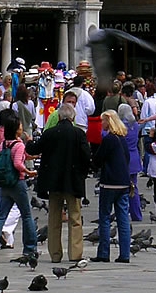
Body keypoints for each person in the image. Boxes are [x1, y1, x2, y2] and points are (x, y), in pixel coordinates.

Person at [25, 99, 91, 264]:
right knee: (75, 217)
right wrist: (82, 173)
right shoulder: (78, 134)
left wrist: (28, 141)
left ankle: (55, 254)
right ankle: (75, 253)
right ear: (72, 117)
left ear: (59, 116)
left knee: (54, 218)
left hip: (54, 182)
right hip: (72, 181)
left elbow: (34, 149)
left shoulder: (50, 133)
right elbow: (86, 156)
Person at [0, 108, 37, 259]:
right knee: (26, 215)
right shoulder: (18, 145)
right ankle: (30, 247)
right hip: (17, 182)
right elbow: (18, 163)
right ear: (16, 130)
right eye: (19, 126)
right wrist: (28, 171)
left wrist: (33, 155)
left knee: (1, 215)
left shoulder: (5, 143)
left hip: (5, 184)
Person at [91, 110, 131, 264]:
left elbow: (98, 159)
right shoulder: (122, 138)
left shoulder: (108, 139)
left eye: (103, 121)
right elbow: (126, 158)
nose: (102, 124)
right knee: (122, 218)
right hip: (123, 182)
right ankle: (125, 254)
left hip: (109, 182)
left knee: (105, 217)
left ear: (108, 121)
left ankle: (103, 252)